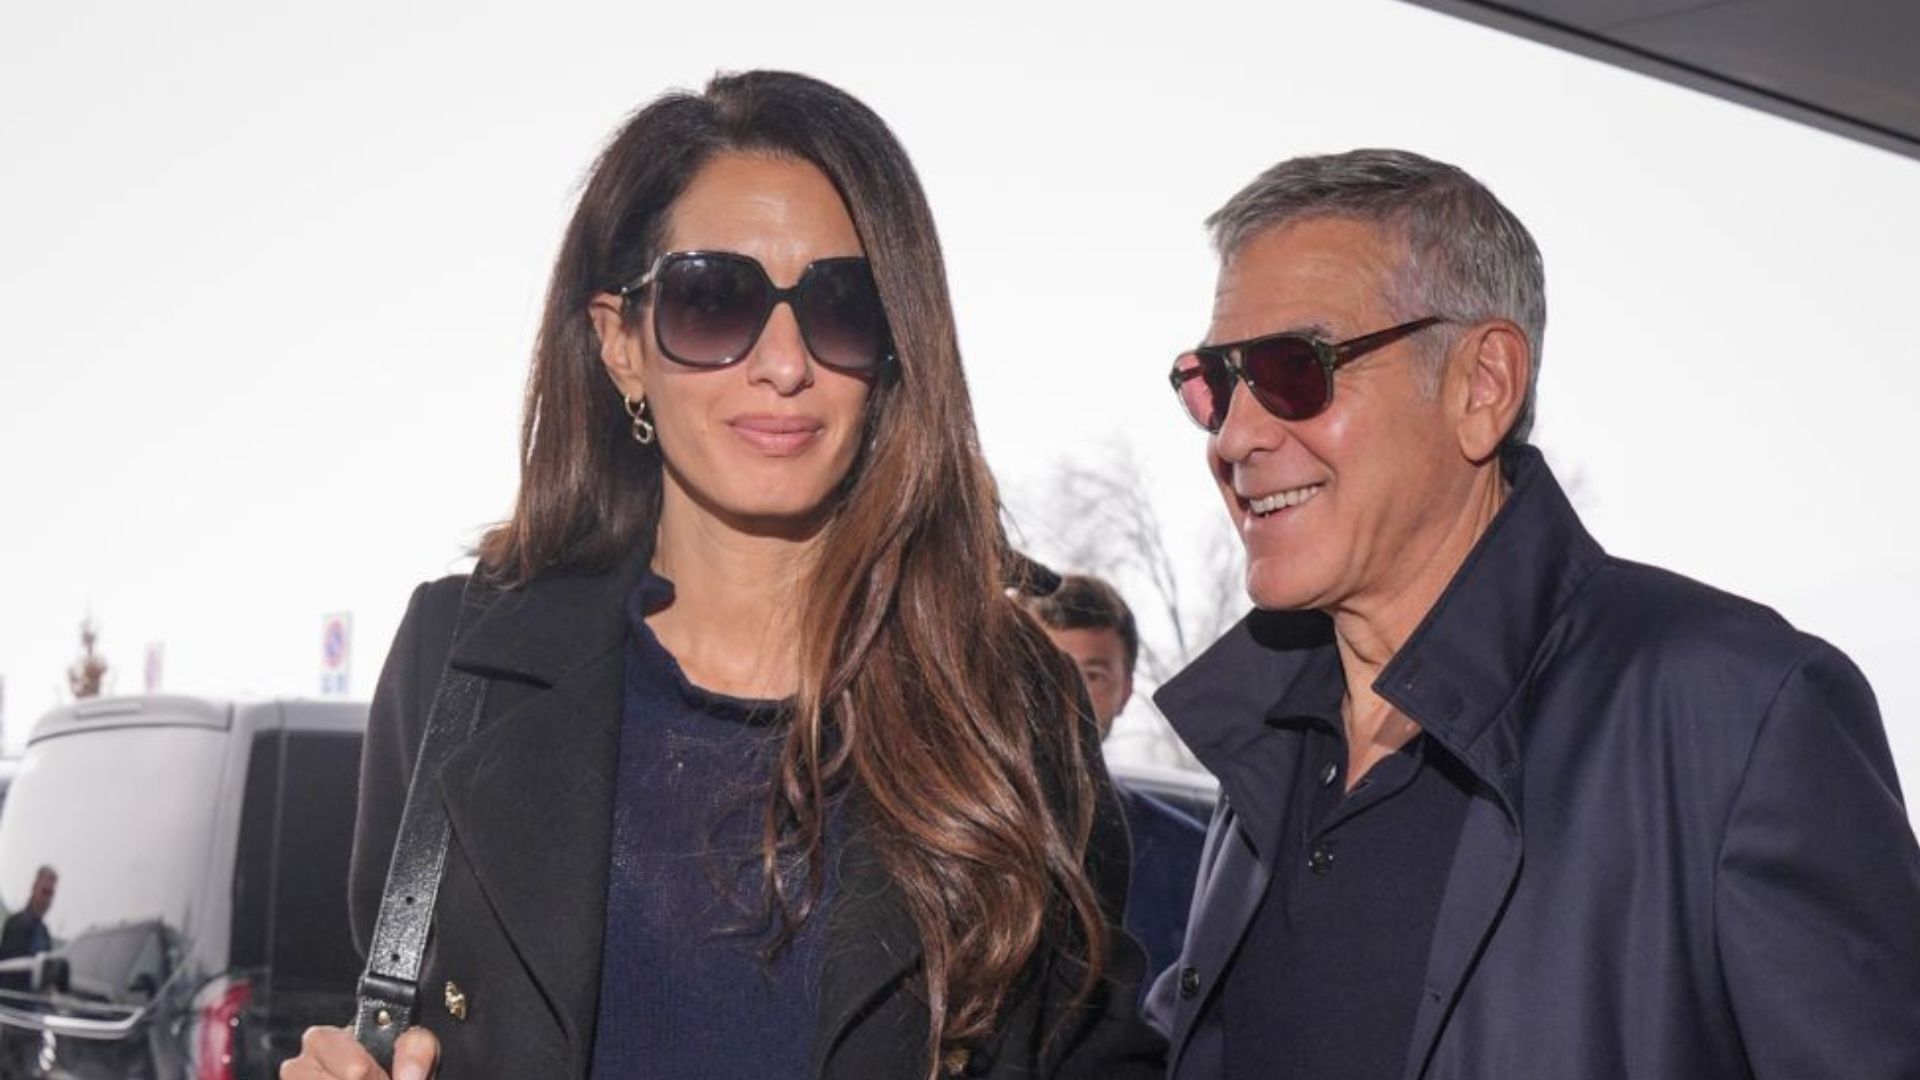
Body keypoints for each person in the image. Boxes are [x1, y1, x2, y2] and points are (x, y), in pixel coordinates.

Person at [285, 72, 1163, 1080]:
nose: (783, 363)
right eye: (714, 300)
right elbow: (390, 1006)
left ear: (892, 351)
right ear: (622, 343)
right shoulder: (464, 663)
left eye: (841, 305)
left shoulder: (1006, 701)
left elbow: (1094, 1051)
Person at [1149, 148, 1920, 1078]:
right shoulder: (1271, 740)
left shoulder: (1737, 715)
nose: (1234, 436)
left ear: (1483, 386)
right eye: (1213, 385)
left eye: (1290, 372)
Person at [1020, 575, 1204, 991]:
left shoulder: (1191, 861)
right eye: (1045, 668)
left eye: (1092, 675)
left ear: (1126, 692)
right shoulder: (949, 838)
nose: (1065, 694)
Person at [0, 866, 55, 994]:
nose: (47, 900)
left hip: (33, 1006)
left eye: (51, 894)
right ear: (34, 888)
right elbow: (8, 969)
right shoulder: (16, 924)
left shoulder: (44, 932)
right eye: (44, 892)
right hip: (12, 1003)